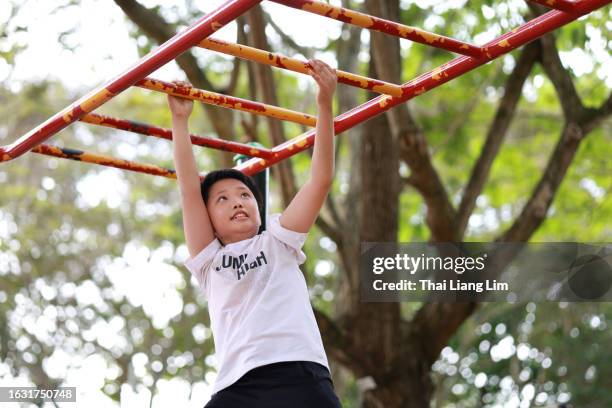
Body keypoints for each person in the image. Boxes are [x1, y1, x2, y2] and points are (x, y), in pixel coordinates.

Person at [168, 59, 342, 408]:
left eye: (245, 195)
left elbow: (319, 180)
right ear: (209, 219)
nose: (237, 202)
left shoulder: (279, 239)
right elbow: (189, 190)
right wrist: (180, 121)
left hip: (299, 372)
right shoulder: (209, 260)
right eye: (223, 198)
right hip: (239, 384)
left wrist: (325, 103)